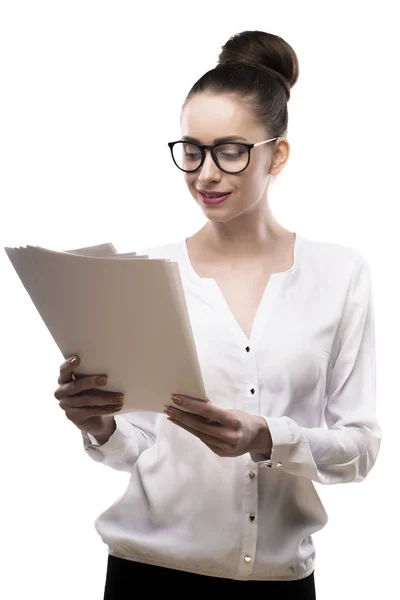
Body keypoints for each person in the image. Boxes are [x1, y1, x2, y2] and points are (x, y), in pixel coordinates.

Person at [53, 30, 381, 597]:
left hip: (279, 582)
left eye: (230, 151)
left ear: (277, 153)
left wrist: (267, 437)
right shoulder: (147, 274)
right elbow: (141, 446)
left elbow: (360, 448)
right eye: (192, 149)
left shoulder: (340, 274)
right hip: (147, 579)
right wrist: (99, 423)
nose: (205, 174)